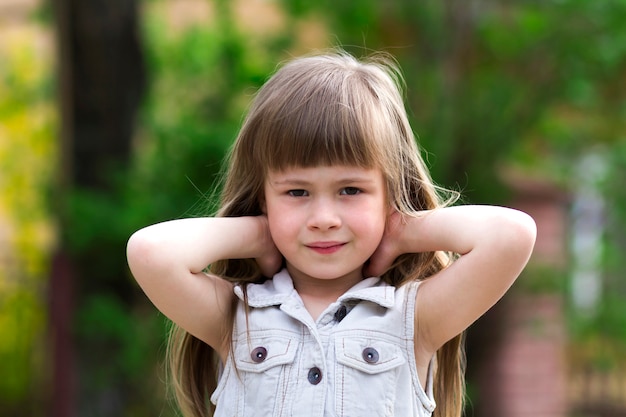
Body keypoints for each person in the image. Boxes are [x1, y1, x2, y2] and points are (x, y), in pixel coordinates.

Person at [126, 51, 536, 417]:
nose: (323, 217)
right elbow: (151, 252)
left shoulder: (413, 319)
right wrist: (258, 233)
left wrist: (401, 231)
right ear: (265, 197)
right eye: (297, 192)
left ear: (389, 194)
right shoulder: (236, 317)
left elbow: (511, 235)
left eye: (351, 190)